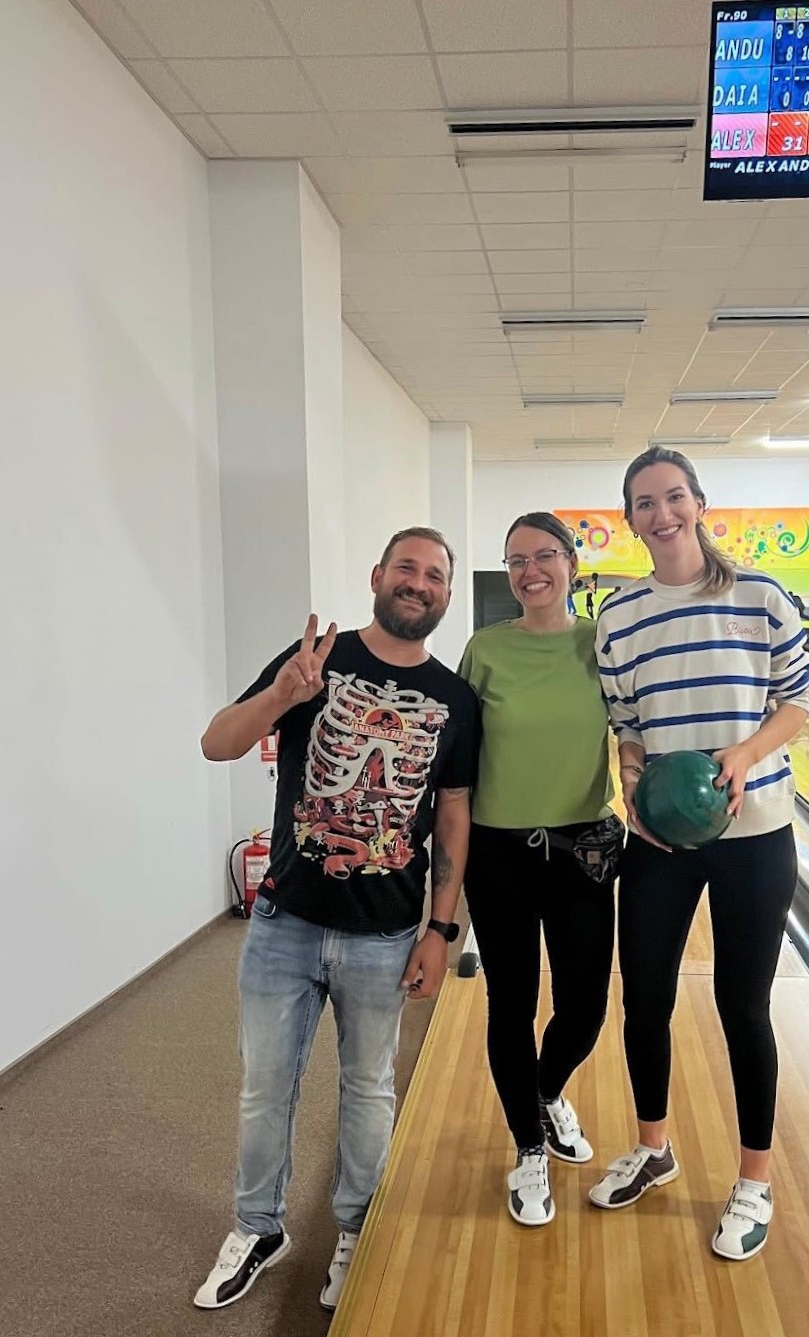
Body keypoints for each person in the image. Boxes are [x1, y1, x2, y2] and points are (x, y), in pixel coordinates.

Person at [193, 528, 480, 1313]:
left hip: (386, 932)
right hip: (285, 921)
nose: (418, 584)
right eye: (407, 569)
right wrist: (284, 693)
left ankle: (357, 1229)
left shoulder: (455, 700)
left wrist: (440, 928)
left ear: (446, 595)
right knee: (264, 1088)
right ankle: (258, 1227)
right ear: (378, 576)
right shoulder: (317, 657)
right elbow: (217, 742)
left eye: (434, 576)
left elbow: (452, 817)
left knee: (366, 1088)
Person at [589, 446, 809, 1263]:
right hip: (660, 839)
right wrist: (634, 784)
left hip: (755, 834)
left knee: (741, 1006)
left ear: (699, 502)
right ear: (631, 518)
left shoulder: (759, 596)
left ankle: (753, 1179)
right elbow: (628, 725)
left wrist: (746, 755)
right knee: (642, 998)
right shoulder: (619, 616)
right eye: (644, 502)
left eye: (673, 496)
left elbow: (797, 703)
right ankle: (655, 1146)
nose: (662, 513)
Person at [459, 513, 623, 1228]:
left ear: (572, 564)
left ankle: (548, 1091)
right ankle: (528, 1145)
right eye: (517, 559)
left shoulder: (601, 645)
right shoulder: (485, 648)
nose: (532, 569)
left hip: (582, 846)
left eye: (546, 555)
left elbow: (639, 730)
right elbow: (459, 760)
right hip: (499, 853)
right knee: (512, 1003)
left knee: (585, 1007)